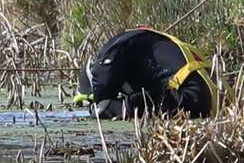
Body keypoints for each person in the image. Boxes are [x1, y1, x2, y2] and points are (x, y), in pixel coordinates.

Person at [73, 27, 217, 119]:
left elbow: (104, 81)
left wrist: (101, 107)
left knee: (117, 108)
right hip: (218, 95)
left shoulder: (110, 53)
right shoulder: (138, 40)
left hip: (193, 96)